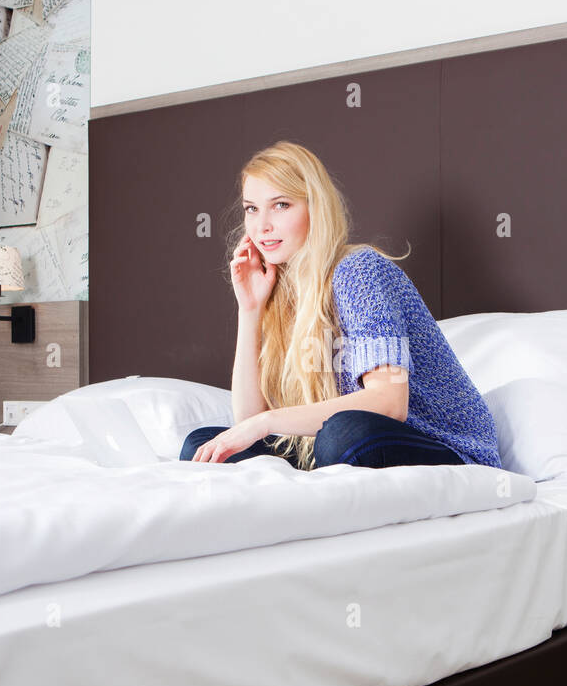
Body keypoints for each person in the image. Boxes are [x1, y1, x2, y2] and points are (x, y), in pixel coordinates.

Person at [180, 141, 502, 471]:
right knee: (203, 447)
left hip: (444, 449)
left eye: (280, 205)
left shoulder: (358, 270)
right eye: (251, 209)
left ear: (314, 209)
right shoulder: (281, 291)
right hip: (339, 450)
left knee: (341, 433)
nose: (262, 225)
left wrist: (265, 422)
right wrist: (249, 309)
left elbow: (390, 404)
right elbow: (246, 422)